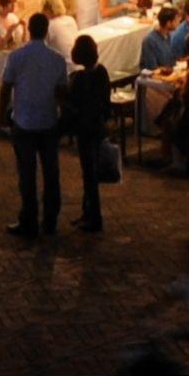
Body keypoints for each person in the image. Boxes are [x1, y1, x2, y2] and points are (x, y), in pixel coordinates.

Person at [0, 1, 70, 238]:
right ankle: (50, 220)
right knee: (51, 173)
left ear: (30, 31)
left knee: (26, 175)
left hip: (24, 121)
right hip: (48, 122)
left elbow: (6, 88)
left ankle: (28, 220)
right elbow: (61, 95)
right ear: (47, 31)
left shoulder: (17, 57)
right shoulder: (57, 60)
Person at [62, 36, 115, 234]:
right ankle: (88, 212)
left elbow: (72, 103)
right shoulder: (101, 72)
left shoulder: (80, 79)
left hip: (85, 129)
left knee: (89, 173)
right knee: (89, 172)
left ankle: (94, 216)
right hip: (97, 127)